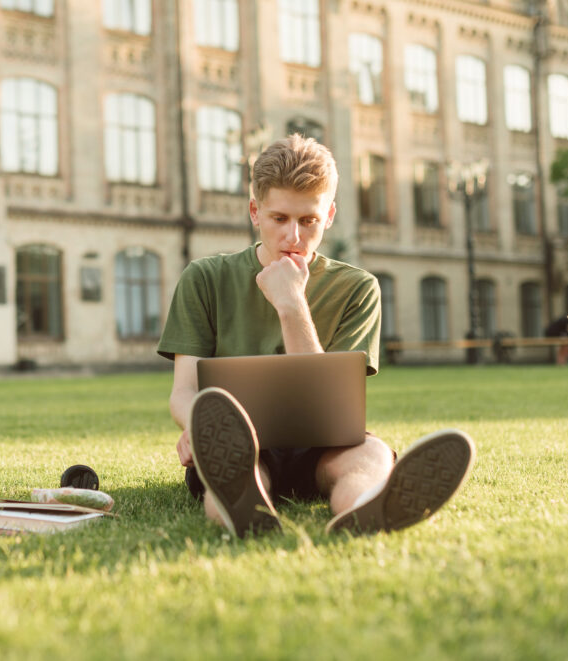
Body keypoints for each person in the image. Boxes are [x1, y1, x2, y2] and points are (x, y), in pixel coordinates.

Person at [156, 135, 476, 538]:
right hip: (241, 444)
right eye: (279, 219)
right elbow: (183, 393)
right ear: (255, 212)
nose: (293, 237)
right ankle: (245, 511)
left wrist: (291, 304)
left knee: (370, 454)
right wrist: (201, 429)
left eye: (308, 221)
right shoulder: (204, 278)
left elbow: (328, 409)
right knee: (240, 463)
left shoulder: (359, 288)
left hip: (324, 448)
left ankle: (364, 511)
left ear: (329, 216)